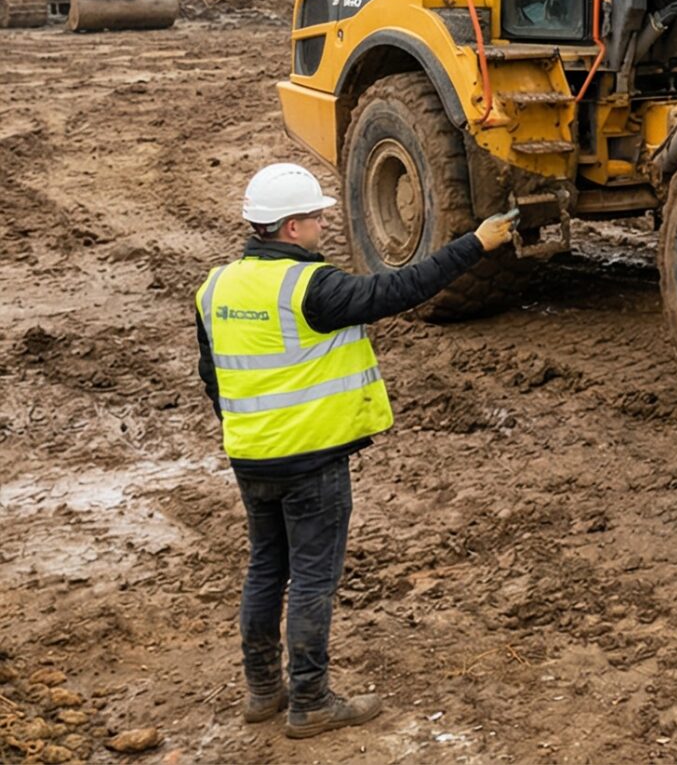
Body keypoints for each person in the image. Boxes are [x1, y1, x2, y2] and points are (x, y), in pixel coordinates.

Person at [195, 164, 517, 737]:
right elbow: (398, 290)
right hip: (313, 461)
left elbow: (211, 375)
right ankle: (311, 701)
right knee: (314, 580)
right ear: (291, 227)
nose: (323, 224)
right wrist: (475, 244)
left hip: (250, 457)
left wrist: (248, 432)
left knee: (267, 569)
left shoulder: (214, 287)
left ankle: (263, 690)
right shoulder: (310, 288)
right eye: (316, 217)